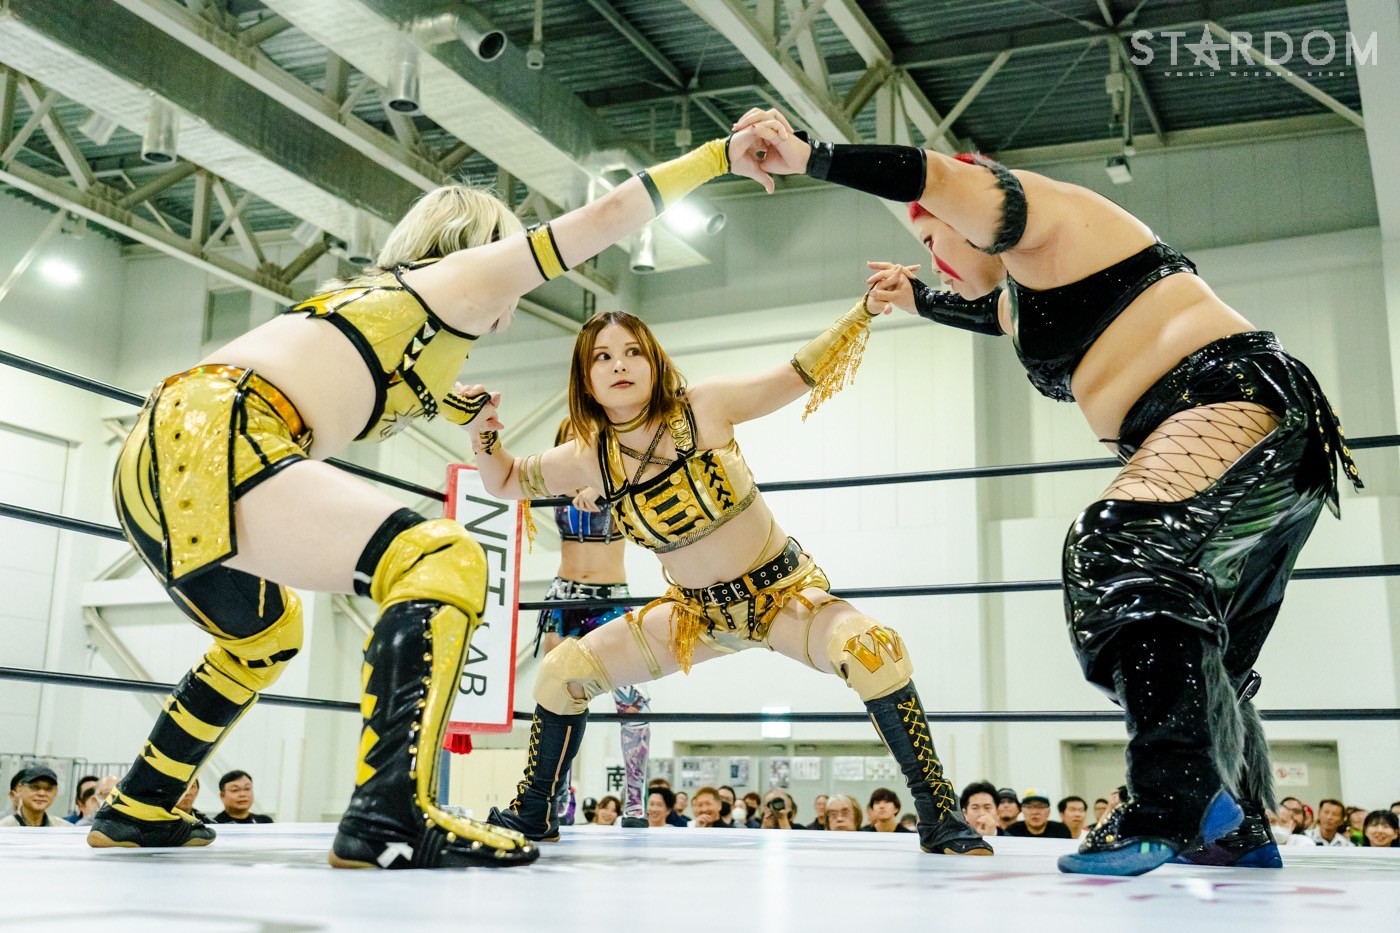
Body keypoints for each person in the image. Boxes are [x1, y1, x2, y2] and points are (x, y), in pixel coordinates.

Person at [82, 125, 772, 869]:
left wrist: (466, 414)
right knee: (442, 556)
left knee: (264, 633)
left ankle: (141, 803)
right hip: (219, 435)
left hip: (160, 455)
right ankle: (389, 815)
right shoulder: (457, 280)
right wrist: (720, 157)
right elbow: (604, 219)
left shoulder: (385, 310)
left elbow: (364, 384)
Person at [731, 107, 1361, 876]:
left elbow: (933, 176)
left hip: (1229, 397)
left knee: (1116, 545)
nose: (933, 258)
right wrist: (911, 297)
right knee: (1211, 651)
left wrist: (812, 158)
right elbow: (977, 310)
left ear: (965, 212)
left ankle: (1174, 798)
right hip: (1252, 438)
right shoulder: (1020, 297)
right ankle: (1235, 822)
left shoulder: (1050, 217)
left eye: (932, 239)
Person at [475, 305, 990, 858]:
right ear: (585, 377)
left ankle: (939, 814)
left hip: (782, 598)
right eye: (602, 357)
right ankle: (535, 810)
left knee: (873, 649)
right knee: (561, 673)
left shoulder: (704, 406)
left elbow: (797, 373)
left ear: (654, 360)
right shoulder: (587, 457)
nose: (619, 365)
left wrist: (861, 312)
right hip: (693, 615)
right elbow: (505, 479)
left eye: (632, 351)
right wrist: (480, 429)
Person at [534, 421, 650, 828]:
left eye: (584, 437)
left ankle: (635, 803)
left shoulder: (619, 474)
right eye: (568, 439)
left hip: (610, 599)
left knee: (632, 699)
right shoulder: (554, 480)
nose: (575, 445)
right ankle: (558, 796)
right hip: (564, 597)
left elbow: (639, 473)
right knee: (559, 696)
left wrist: (600, 486)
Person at [1006, 790, 1072, 838]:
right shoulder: (1012, 831)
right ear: (1022, 810)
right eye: (1030, 807)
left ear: (1049, 811)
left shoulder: (1060, 830)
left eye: (1040, 807)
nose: (1035, 812)